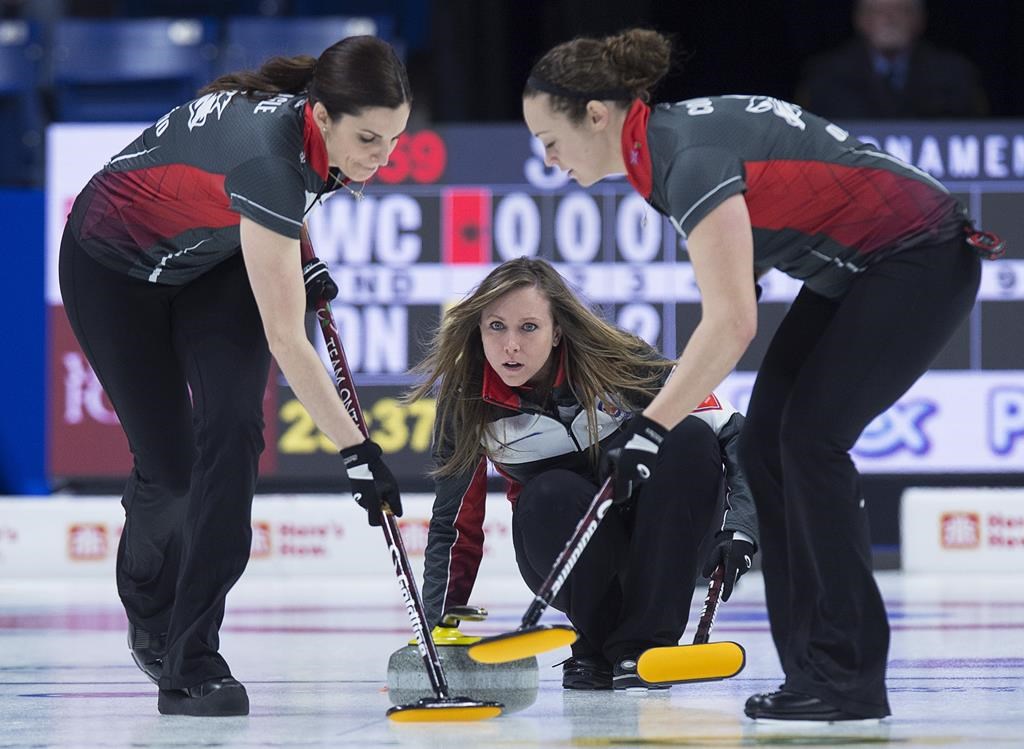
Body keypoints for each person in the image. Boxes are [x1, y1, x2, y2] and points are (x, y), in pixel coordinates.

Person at [522, 28, 1000, 721]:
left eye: (549, 137)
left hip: (918, 254)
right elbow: (749, 266)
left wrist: (650, 430)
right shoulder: (664, 149)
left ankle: (846, 675)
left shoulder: (685, 158)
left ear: (596, 115)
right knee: (769, 440)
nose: (548, 157)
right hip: (869, 264)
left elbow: (732, 323)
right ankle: (815, 667)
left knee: (809, 442)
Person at [58, 35, 409, 716]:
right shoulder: (270, 153)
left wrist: (299, 252)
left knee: (236, 427)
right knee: (173, 472)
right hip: (110, 269)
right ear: (321, 114)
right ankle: (150, 607)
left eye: (394, 141)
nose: (382, 158)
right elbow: (287, 338)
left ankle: (193, 659)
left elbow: (251, 189)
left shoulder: (308, 136)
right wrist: (358, 452)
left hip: (210, 262)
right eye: (369, 138)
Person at [411, 257, 758, 691]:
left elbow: (731, 432)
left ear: (557, 331)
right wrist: (436, 625)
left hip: (661, 538)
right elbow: (456, 523)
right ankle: (599, 645)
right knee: (549, 492)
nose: (511, 346)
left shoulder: (618, 360)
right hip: (559, 549)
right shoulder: (467, 400)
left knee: (687, 436)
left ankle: (641, 646)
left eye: (528, 327)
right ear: (478, 331)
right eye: (496, 327)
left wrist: (742, 527)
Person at [796, 0, 988, 119]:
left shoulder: (955, 74)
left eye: (901, 10)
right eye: (879, 11)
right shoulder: (825, 75)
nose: (890, 19)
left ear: (919, 19)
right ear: (860, 19)